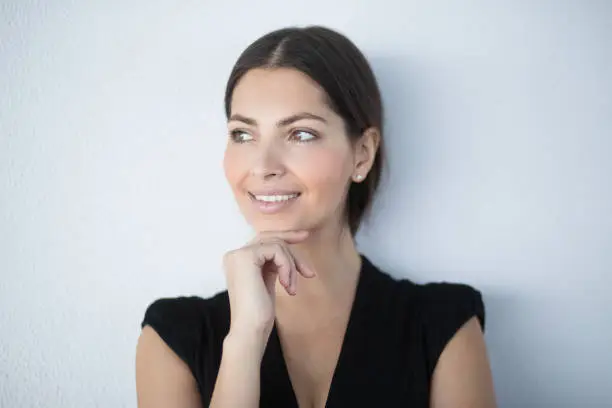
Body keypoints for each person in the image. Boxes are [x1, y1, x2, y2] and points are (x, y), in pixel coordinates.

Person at [135, 25, 496, 408]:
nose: (263, 166)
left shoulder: (444, 327)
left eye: (301, 134)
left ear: (363, 153)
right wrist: (244, 339)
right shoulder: (174, 336)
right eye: (243, 134)